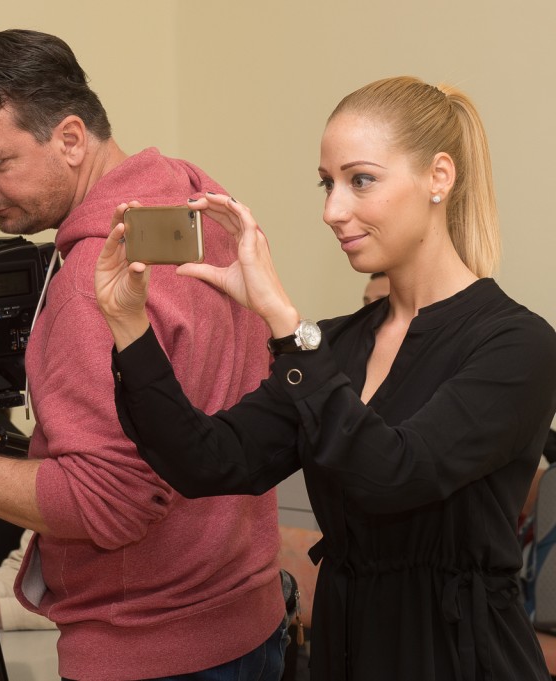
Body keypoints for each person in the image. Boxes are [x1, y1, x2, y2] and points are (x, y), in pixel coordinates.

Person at [0, 29, 286, 681]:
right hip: (247, 619)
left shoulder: (91, 285)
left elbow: (108, 501)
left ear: (71, 138)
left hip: (150, 644)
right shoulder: (192, 198)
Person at [93, 75, 556, 680]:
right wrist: (129, 326)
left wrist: (286, 325)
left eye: (360, 180)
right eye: (327, 183)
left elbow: (394, 474)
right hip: (347, 650)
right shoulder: (334, 344)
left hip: (457, 658)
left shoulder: (517, 344)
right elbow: (206, 460)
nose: (332, 211)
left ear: (439, 177)